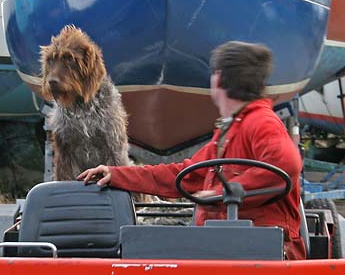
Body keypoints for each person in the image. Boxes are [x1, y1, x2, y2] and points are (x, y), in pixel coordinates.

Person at [77, 41, 306, 260]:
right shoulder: (229, 132)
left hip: (262, 252)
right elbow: (185, 175)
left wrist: (228, 192)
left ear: (219, 79)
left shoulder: (261, 122)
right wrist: (117, 174)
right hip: (227, 246)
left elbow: (286, 165)